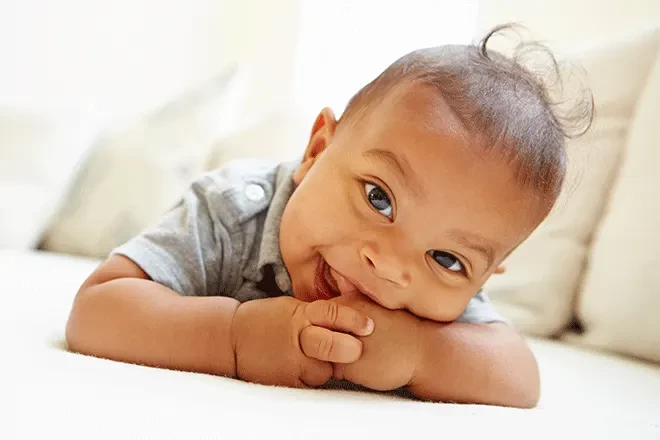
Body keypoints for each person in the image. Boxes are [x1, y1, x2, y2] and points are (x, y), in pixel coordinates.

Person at [65, 25, 593, 408]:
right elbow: (97, 309)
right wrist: (233, 336)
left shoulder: (440, 300)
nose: (389, 266)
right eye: (379, 199)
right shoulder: (232, 210)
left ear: (480, 276)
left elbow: (520, 379)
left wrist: (420, 354)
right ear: (317, 151)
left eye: (446, 257)